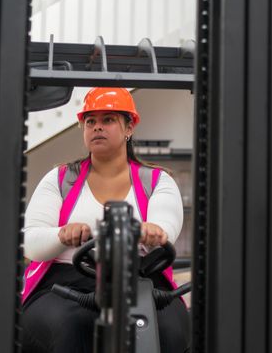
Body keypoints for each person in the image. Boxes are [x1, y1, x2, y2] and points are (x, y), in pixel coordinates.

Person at [21, 87, 188, 353]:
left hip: (141, 279)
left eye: (108, 120)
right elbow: (31, 242)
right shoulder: (60, 179)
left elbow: (167, 224)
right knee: (71, 328)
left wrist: (156, 231)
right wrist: (61, 235)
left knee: (171, 330)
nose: (97, 127)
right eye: (91, 121)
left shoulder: (157, 182)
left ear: (129, 127)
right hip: (65, 282)